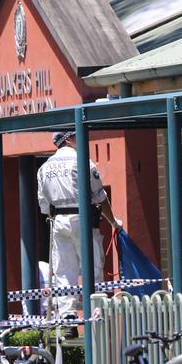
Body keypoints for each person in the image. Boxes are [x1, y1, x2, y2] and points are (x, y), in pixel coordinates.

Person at [37, 131, 122, 321]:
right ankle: (97, 310)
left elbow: (44, 207)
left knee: (64, 271)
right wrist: (113, 222)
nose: (82, 140)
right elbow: (100, 197)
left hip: (58, 222)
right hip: (83, 221)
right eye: (77, 136)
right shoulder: (83, 162)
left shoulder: (43, 168)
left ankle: (68, 314)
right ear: (68, 139)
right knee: (93, 265)